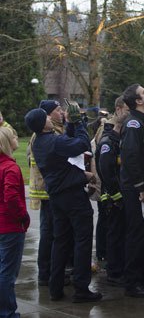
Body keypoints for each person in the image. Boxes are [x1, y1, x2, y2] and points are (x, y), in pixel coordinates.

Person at [25, 105, 102, 304]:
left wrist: (69, 125)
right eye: (47, 117)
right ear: (43, 124)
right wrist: (77, 122)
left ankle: (55, 287)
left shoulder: (40, 142)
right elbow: (82, 144)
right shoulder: (53, 141)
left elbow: (66, 144)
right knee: (82, 240)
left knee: (60, 241)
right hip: (73, 197)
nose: (51, 118)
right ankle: (81, 288)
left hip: (57, 198)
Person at [120, 83, 144, 298]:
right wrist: (141, 187)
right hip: (137, 190)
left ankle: (143, 275)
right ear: (138, 102)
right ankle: (132, 283)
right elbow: (130, 158)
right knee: (137, 235)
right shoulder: (134, 124)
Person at [27, 100, 65, 286]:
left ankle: (50, 270)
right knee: (49, 231)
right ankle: (46, 272)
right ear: (48, 115)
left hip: (48, 187)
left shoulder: (55, 130)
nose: (61, 113)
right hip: (47, 189)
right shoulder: (46, 135)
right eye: (58, 110)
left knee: (51, 230)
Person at [95, 96, 129, 286]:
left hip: (120, 195)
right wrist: (117, 196)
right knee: (115, 234)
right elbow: (106, 171)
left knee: (122, 233)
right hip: (114, 198)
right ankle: (114, 272)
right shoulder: (109, 141)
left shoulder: (118, 140)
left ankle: (120, 267)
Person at [0, 127, 30, 318]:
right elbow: (11, 196)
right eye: (14, 136)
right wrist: (23, 216)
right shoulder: (10, 168)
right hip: (10, 227)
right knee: (7, 273)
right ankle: (7, 312)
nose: (17, 137)